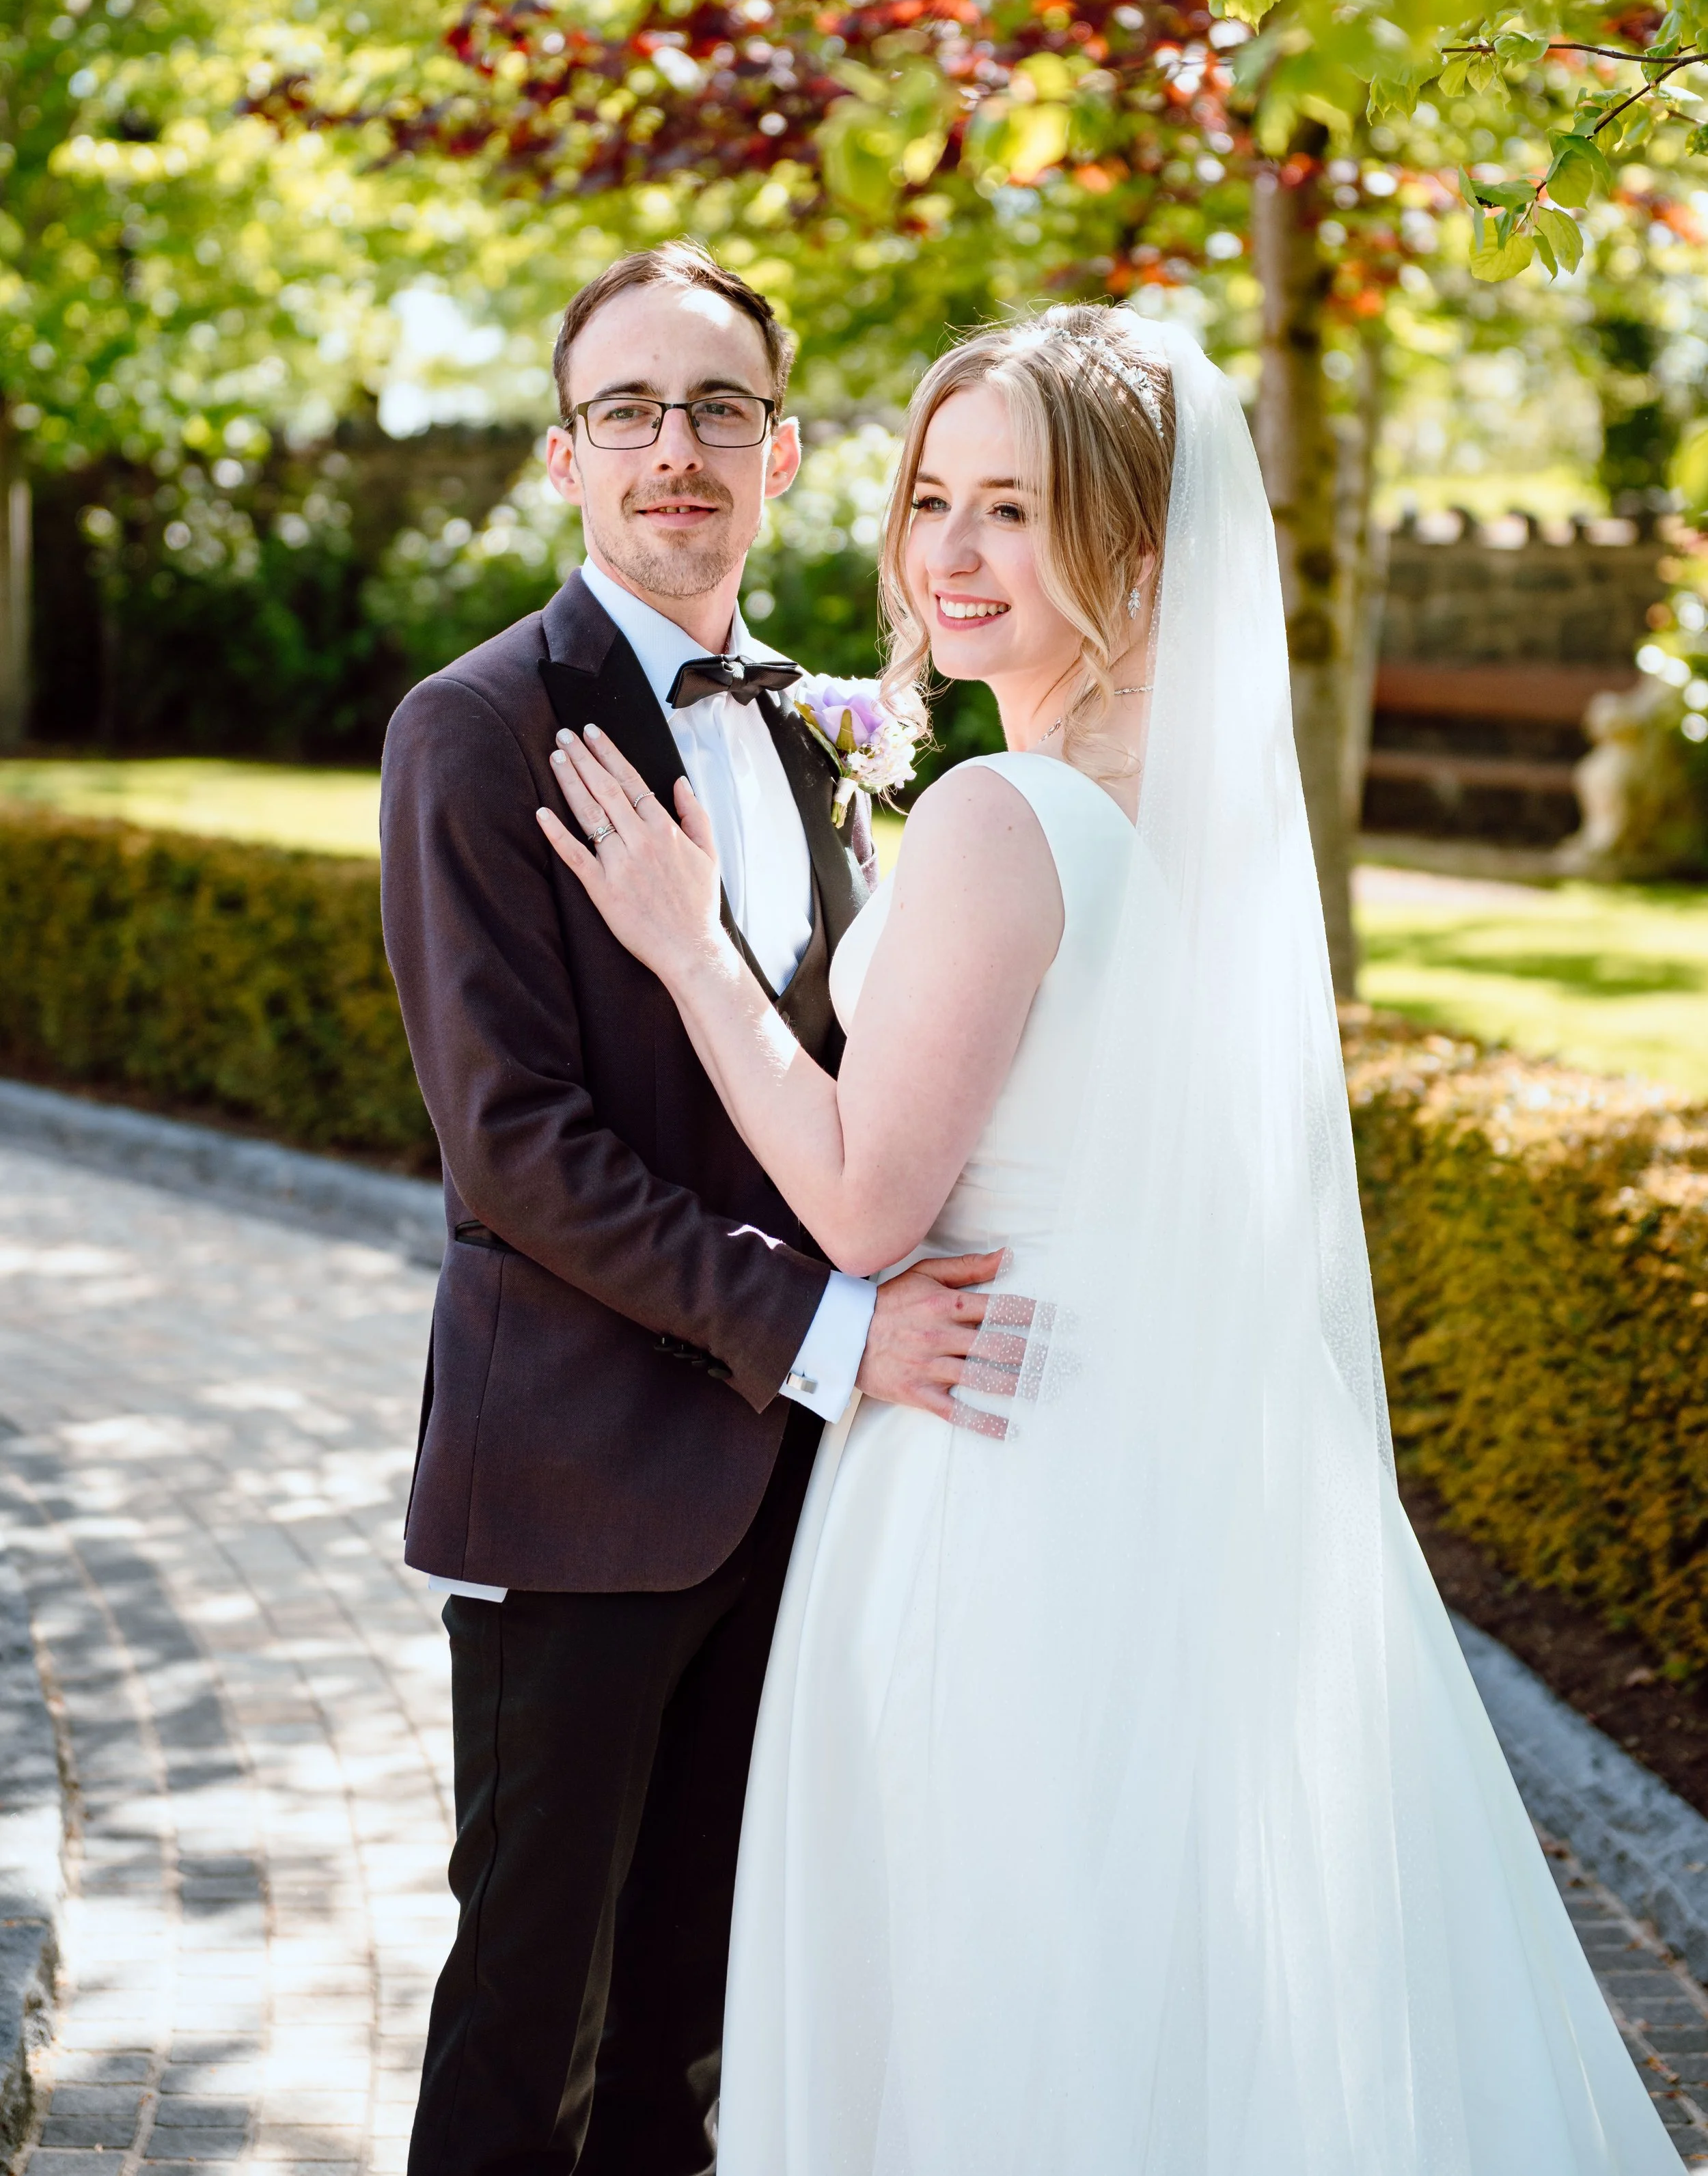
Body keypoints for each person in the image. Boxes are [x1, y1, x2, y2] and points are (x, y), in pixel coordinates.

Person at [536, 305, 1682, 2174]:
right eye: (934, 500)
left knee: (1005, 1985)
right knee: (1182, 1976)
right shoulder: (1202, 814)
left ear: (1136, 550)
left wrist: (688, 945)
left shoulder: (1001, 816)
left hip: (1002, 1469)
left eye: (1016, 510)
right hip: (1177, 1465)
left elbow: (855, 1200)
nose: (953, 555)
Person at [380, 241, 1001, 2176]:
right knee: (524, 2041)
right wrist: (835, 1335)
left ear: (786, 456)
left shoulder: (819, 732)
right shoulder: (475, 730)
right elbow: (517, 1150)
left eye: (719, 410)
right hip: (579, 1478)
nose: (678, 448)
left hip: (804, 1494)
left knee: (701, 2030)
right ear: (562, 458)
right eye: (630, 412)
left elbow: (832, 1085)